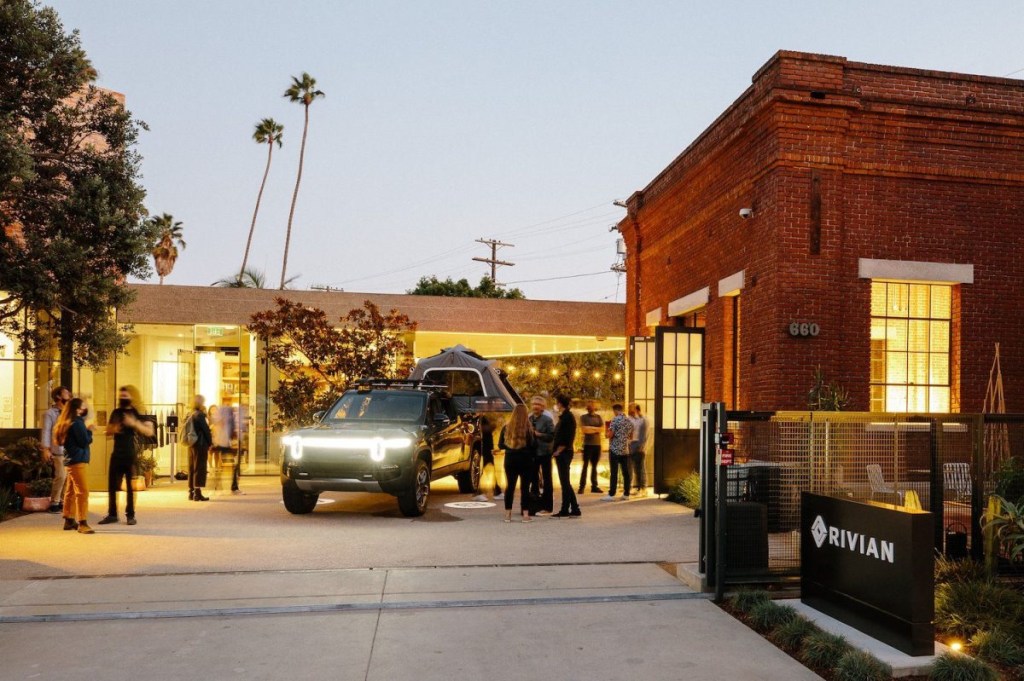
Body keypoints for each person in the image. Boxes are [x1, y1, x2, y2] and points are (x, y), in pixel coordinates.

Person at [99, 386, 154, 526]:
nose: (122, 398)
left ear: (131, 397)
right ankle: (112, 514)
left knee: (130, 486)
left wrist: (134, 423)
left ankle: (130, 515)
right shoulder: (116, 412)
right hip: (116, 453)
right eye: (121, 396)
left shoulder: (135, 412)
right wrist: (112, 429)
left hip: (130, 454)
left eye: (125, 396)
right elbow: (108, 432)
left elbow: (148, 432)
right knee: (112, 485)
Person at [54, 397, 94, 534]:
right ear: (77, 409)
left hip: (71, 460)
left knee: (70, 491)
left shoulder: (67, 421)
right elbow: (84, 441)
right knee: (83, 491)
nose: (85, 408)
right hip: (78, 460)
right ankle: (83, 522)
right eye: (83, 406)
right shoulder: (77, 422)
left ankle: (69, 519)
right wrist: (89, 430)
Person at [498, 403, 536, 523]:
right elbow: (533, 446)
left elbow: (500, 445)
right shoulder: (529, 429)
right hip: (526, 460)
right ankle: (525, 514)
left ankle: (508, 514)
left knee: (510, 487)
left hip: (510, 460)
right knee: (525, 488)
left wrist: (510, 447)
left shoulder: (506, 428)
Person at [40, 385, 71, 514]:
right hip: (58, 449)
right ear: (58, 396)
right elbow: (46, 431)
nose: (69, 394)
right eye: (66, 393)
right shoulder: (50, 413)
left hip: (70, 449)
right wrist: (46, 449)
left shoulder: (70, 412)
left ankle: (63, 501)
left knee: (68, 477)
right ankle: (54, 502)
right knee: (61, 475)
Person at [551, 395, 580, 518]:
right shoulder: (565, 417)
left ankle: (565, 509)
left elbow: (567, 437)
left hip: (563, 453)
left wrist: (559, 450)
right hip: (562, 452)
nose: (556, 405)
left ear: (560, 404)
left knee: (565, 482)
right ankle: (574, 508)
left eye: (556, 403)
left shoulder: (567, 417)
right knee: (565, 481)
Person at [527, 395, 555, 516]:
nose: (535, 407)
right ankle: (534, 505)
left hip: (544, 453)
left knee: (547, 480)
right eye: (534, 404)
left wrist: (539, 435)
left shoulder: (547, 420)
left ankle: (547, 506)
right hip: (532, 453)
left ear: (543, 407)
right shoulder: (528, 418)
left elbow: (552, 436)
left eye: (538, 405)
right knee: (533, 479)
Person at [600, 404, 633, 501]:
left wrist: (606, 433)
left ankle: (611, 494)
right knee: (626, 473)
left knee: (614, 472)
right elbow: (631, 436)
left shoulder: (615, 420)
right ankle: (626, 494)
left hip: (614, 449)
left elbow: (610, 435)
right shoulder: (629, 421)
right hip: (625, 450)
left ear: (615, 410)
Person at [187, 394, 213, 501]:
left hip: (191, 443)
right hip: (200, 444)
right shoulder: (200, 415)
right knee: (199, 467)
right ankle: (197, 493)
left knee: (192, 467)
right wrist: (210, 443)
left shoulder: (190, 414)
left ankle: (191, 492)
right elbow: (206, 430)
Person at [577, 400, 604, 495]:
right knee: (585, 466)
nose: (591, 407)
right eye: (589, 405)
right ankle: (581, 487)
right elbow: (585, 430)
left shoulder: (599, 417)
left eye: (592, 405)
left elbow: (602, 429)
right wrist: (596, 429)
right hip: (588, 445)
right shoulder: (583, 417)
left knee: (594, 466)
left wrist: (591, 428)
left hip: (597, 445)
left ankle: (594, 486)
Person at [473, 415, 502, 502]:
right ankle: (480, 492)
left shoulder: (484, 417)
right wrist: (493, 425)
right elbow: (484, 430)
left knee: (488, 469)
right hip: (484, 448)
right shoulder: (481, 418)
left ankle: (496, 490)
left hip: (487, 447)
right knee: (485, 470)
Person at [628, 403, 650, 497]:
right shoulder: (630, 419)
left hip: (639, 445)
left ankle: (643, 489)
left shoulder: (643, 420)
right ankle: (637, 487)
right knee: (632, 468)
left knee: (640, 468)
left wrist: (642, 445)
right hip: (630, 445)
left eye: (630, 408)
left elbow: (645, 434)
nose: (629, 410)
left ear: (636, 409)